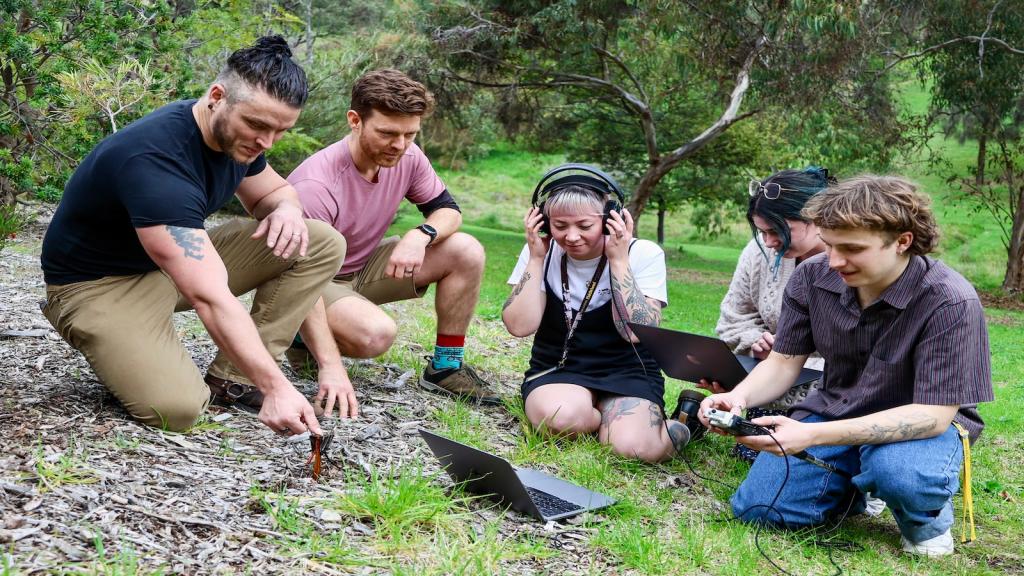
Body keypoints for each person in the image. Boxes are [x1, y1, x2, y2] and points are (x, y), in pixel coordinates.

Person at [39, 36, 346, 437]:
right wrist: (278, 387)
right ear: (217, 97)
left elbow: (274, 192)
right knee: (176, 409)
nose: (266, 142)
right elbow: (210, 298)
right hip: (99, 287)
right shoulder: (156, 160)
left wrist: (287, 208)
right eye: (257, 125)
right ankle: (251, 378)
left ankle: (234, 380)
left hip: (165, 265)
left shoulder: (236, 139)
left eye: (280, 131)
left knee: (320, 242)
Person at [699, 175, 993, 556]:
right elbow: (783, 363)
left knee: (899, 472)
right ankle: (854, 489)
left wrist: (811, 436)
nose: (835, 261)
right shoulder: (811, 276)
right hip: (838, 407)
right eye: (830, 244)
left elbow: (932, 416)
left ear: (902, 241)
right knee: (760, 508)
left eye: (852, 248)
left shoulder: (949, 301)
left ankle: (925, 520)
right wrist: (738, 398)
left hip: (922, 426)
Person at [287, 69, 496, 414]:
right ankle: (299, 338)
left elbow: (448, 211)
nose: (399, 145)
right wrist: (331, 366)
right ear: (355, 121)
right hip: (313, 281)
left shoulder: (407, 157)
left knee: (466, 250)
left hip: (361, 268)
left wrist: (421, 234)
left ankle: (445, 367)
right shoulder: (316, 185)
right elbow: (298, 278)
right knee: (375, 335)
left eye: (409, 134)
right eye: (386, 133)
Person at [502, 174, 688, 463]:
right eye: (560, 226)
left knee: (633, 449)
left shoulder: (643, 253)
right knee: (559, 420)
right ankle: (601, 419)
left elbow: (635, 332)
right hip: (559, 367)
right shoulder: (541, 251)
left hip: (628, 370)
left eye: (585, 226)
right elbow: (518, 325)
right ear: (543, 221)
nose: (571, 237)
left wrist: (618, 261)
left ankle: (681, 426)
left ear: (610, 218)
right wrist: (536, 259)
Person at [708, 167, 831, 461]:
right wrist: (757, 342)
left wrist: (787, 355)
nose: (768, 241)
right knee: (754, 453)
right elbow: (733, 318)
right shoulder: (758, 253)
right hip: (770, 375)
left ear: (816, 219)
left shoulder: (850, 263)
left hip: (828, 387)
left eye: (776, 231)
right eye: (762, 231)